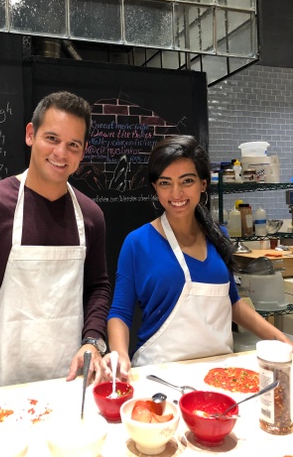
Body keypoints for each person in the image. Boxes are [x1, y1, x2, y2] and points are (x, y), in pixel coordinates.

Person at [0, 91, 111, 408]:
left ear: (83, 152)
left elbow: (98, 286)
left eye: (73, 144)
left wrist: (93, 341)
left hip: (68, 383)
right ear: (30, 135)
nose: (61, 152)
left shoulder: (90, 216)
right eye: (52, 138)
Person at [104, 135, 293, 380]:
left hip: (220, 372)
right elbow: (119, 312)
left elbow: (233, 303)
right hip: (159, 373)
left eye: (187, 181)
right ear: (155, 187)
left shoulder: (218, 236)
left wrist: (281, 340)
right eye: (165, 183)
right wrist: (119, 355)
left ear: (203, 184)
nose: (176, 192)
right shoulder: (137, 242)